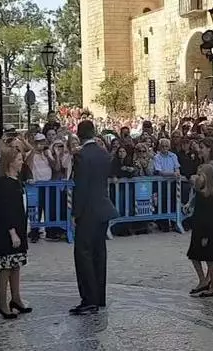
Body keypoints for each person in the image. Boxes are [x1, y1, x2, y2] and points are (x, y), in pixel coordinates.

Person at [70, 120, 119, 316]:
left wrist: (76, 212)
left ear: (80, 135)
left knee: (83, 254)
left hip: (88, 210)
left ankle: (88, 299)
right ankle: (100, 296)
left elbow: (80, 186)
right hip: (102, 208)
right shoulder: (103, 153)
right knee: (100, 253)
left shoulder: (81, 155)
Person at [0, 144, 30, 319]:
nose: (22, 163)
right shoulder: (4, 184)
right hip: (8, 231)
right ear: (10, 163)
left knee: (16, 265)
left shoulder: (16, 181)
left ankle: (16, 299)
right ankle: (2, 302)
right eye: (19, 160)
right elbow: (5, 210)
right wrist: (12, 231)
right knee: (6, 267)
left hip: (19, 228)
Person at [186, 163, 213, 298]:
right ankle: (203, 280)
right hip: (199, 228)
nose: (198, 177)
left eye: (200, 175)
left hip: (208, 231)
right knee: (194, 255)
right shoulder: (200, 193)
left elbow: (211, 218)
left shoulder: (212, 195)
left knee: (210, 259)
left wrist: (206, 235)